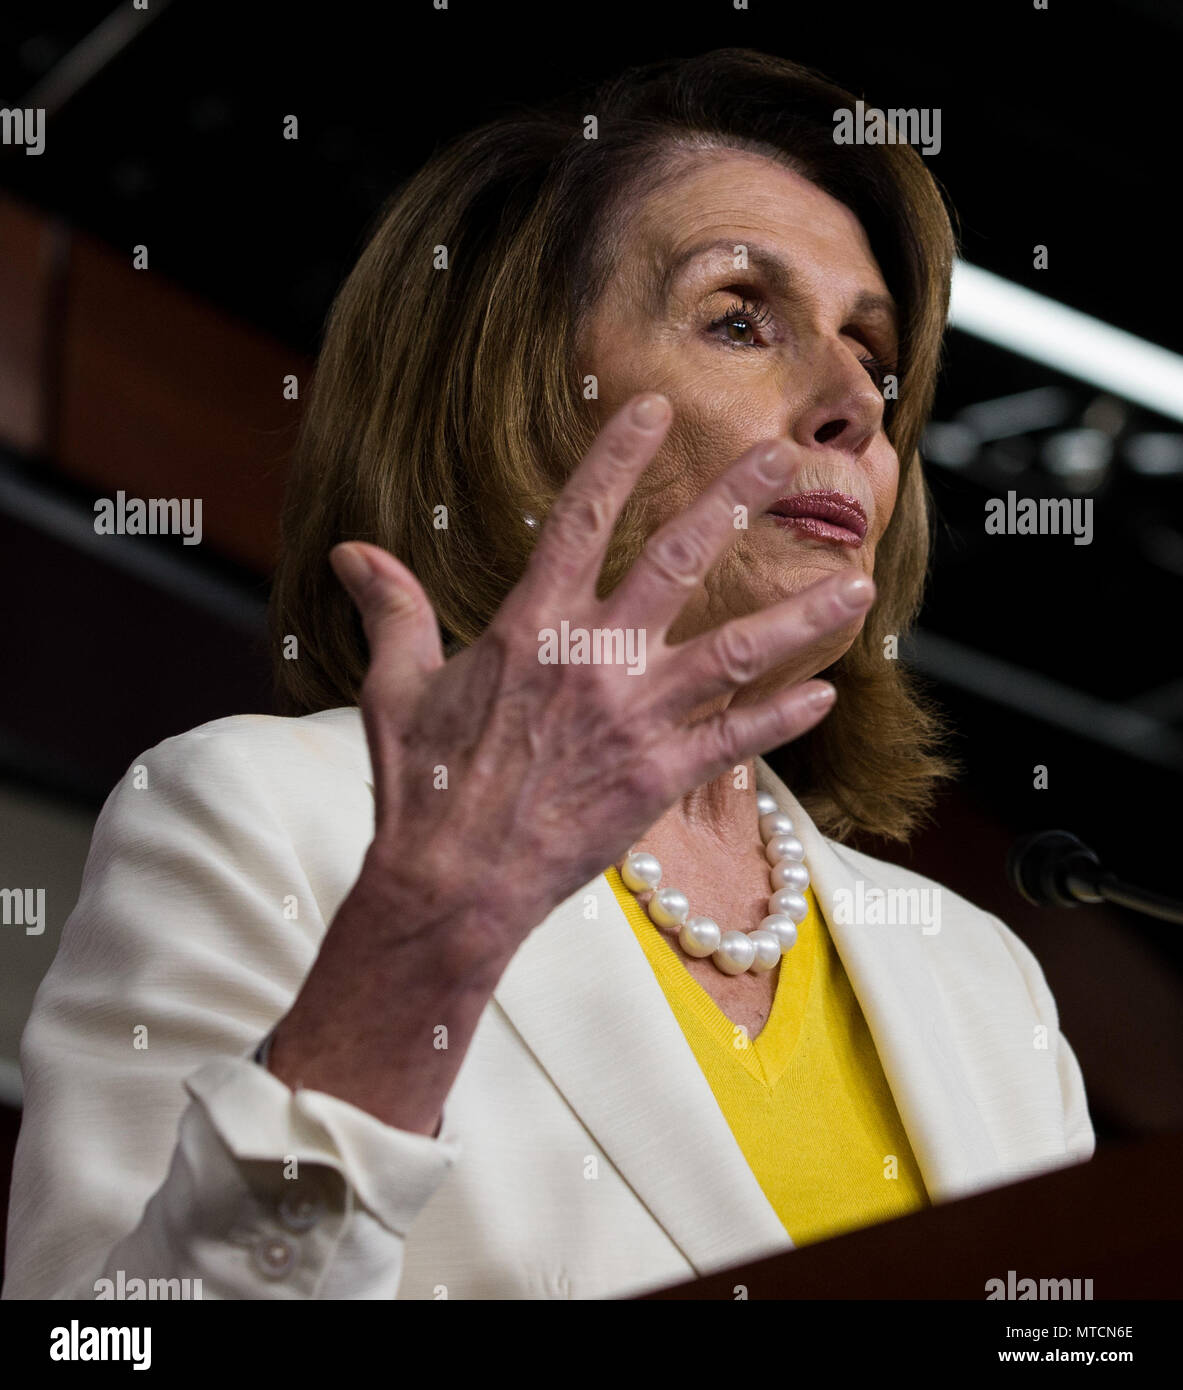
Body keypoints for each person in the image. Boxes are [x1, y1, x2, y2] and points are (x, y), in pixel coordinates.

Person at [2, 48, 1093, 1302]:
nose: (854, 401)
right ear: (523, 396)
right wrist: (414, 958)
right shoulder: (263, 817)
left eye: (874, 355)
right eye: (739, 317)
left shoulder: (980, 975)